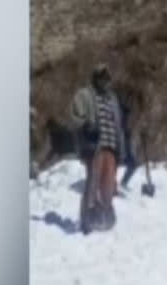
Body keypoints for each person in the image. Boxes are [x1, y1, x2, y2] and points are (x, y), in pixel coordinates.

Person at [69, 63, 129, 233]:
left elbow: (118, 126)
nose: (105, 82)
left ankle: (104, 217)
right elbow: (75, 116)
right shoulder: (85, 95)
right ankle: (87, 219)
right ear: (95, 78)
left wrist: (121, 149)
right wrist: (87, 126)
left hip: (111, 146)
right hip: (94, 145)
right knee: (93, 180)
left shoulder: (112, 99)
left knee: (108, 182)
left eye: (107, 79)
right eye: (102, 78)